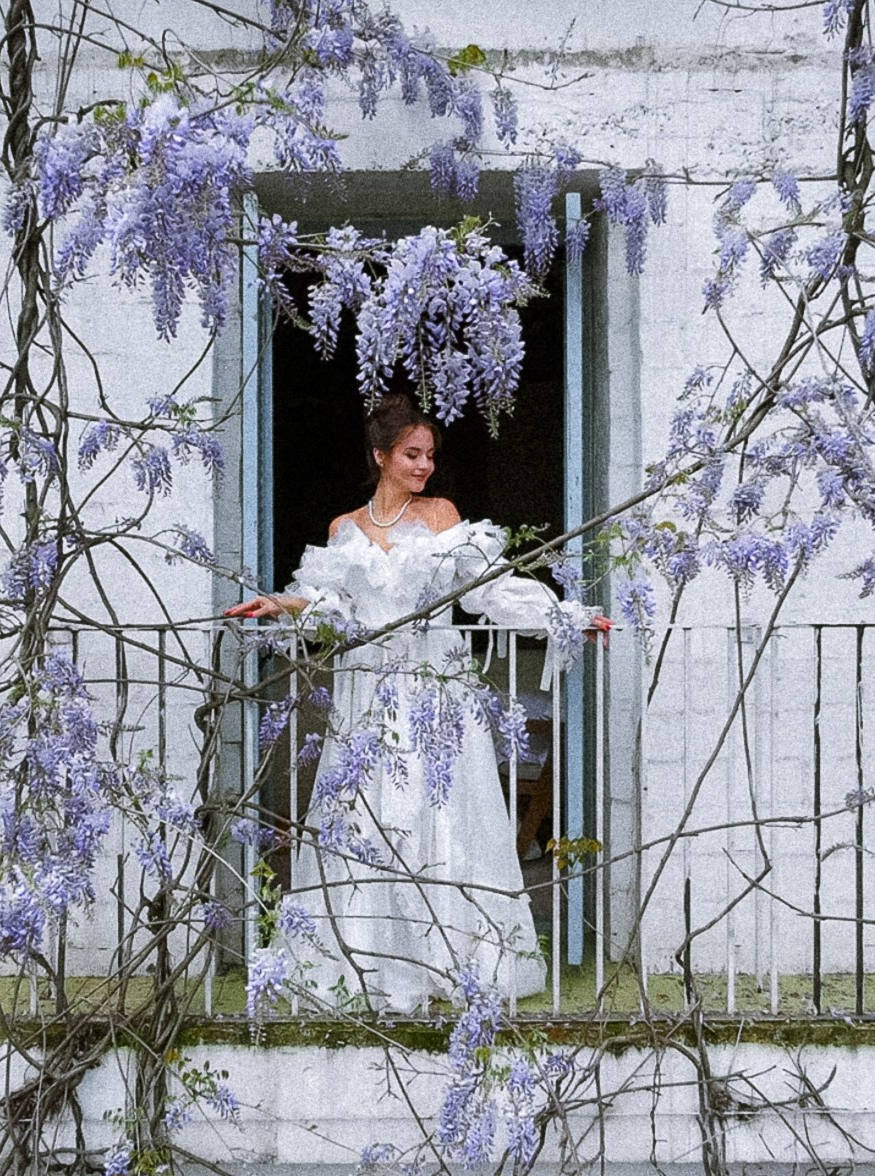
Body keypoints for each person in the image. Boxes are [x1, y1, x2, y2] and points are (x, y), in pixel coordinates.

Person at [224, 393, 611, 1011]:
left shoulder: (440, 515)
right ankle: (367, 962)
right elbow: (332, 609)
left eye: (430, 454)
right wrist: (279, 604)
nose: (425, 465)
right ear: (380, 456)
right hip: (369, 691)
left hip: (434, 687)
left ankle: (448, 961)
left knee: (442, 808)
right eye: (412, 454)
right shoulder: (344, 529)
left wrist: (566, 616)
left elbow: (488, 591)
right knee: (364, 811)